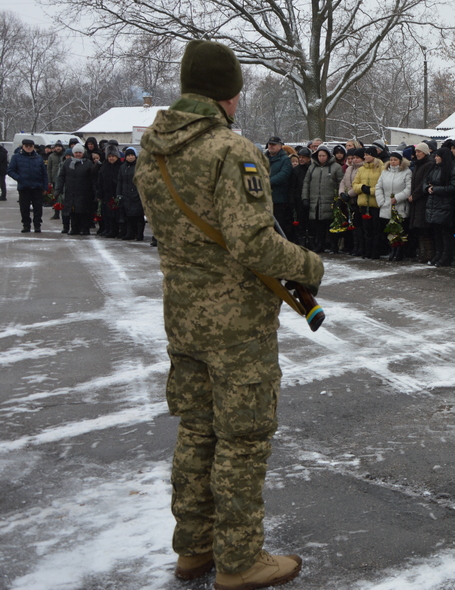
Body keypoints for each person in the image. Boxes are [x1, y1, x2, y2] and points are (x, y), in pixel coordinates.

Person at [134, 39, 322, 590]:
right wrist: (310, 263)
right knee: (243, 437)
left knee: (196, 430)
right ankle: (240, 561)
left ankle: (193, 549)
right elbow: (253, 244)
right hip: (237, 324)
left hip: (183, 315)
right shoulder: (230, 149)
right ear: (228, 94)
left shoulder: (153, 150)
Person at [303, 145, 344, 254]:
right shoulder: (312, 168)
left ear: (328, 156)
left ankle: (333, 245)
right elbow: (306, 183)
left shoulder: (336, 167)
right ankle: (319, 245)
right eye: (319, 155)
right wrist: (305, 198)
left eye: (323, 155)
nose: (321, 158)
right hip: (315, 201)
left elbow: (341, 183)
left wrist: (339, 198)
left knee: (331, 225)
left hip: (330, 201)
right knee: (318, 226)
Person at [424, 148, 455, 266]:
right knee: (437, 233)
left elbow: (454, 187)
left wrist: (436, 189)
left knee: (445, 233)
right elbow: (425, 182)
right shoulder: (434, 169)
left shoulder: (451, 170)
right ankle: (438, 254)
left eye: (437, 156)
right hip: (433, 204)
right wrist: (427, 188)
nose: (435, 158)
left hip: (444, 206)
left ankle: (446, 256)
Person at [375, 151, 412, 261]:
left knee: (399, 230)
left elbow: (408, 189)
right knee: (389, 230)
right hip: (386, 205)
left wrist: (397, 198)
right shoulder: (385, 172)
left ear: (400, 161)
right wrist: (381, 201)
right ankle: (392, 250)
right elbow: (379, 187)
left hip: (400, 206)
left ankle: (399, 251)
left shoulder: (407, 172)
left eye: (395, 160)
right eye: (391, 159)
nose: (392, 162)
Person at [7, 138, 48, 233]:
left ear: (33, 147)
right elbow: (10, 170)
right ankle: (26, 225)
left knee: (38, 208)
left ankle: (37, 225)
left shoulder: (38, 157)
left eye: (31, 146)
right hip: (24, 187)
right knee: (24, 208)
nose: (29, 148)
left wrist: (45, 186)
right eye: (27, 146)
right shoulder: (16, 157)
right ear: (23, 146)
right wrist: (19, 178)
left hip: (37, 187)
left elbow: (44, 174)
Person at [56, 144, 98, 235]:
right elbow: (61, 176)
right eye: (76, 153)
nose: (78, 154)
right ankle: (74, 228)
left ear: (83, 153)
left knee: (84, 212)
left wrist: (95, 192)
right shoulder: (67, 163)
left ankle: (85, 228)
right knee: (73, 212)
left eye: (80, 152)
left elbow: (93, 178)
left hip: (85, 192)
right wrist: (58, 189)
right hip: (71, 192)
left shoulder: (88, 163)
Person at [353, 145, 385, 258]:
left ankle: (375, 251)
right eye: (365, 155)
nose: (365, 156)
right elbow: (355, 184)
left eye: (367, 154)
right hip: (363, 203)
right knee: (366, 230)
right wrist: (362, 188)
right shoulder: (361, 169)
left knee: (376, 229)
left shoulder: (381, 168)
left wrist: (371, 191)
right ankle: (367, 250)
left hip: (375, 203)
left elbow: (383, 185)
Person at [407, 143, 434, 262]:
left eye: (420, 152)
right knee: (418, 228)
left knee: (424, 228)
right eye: (416, 152)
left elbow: (424, 182)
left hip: (422, 200)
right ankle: (422, 252)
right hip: (415, 201)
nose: (417, 154)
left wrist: (415, 195)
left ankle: (428, 253)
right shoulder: (418, 164)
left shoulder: (428, 164)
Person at [117, 147, 146, 240]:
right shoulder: (123, 167)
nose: (130, 157)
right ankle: (130, 233)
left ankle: (139, 234)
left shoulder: (138, 166)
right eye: (128, 155)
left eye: (132, 155)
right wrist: (119, 193)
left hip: (137, 194)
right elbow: (120, 181)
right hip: (126, 195)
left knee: (138, 216)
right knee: (128, 216)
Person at [266, 136, 293, 236]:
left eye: (273, 144)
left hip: (279, 198)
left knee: (279, 225)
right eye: (269, 144)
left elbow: (283, 175)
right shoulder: (264, 158)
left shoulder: (285, 160)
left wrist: (266, 182)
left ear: (280, 146)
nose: (271, 146)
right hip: (265, 198)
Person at [96, 145, 123, 238]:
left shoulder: (120, 166)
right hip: (106, 193)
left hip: (117, 193)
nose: (111, 158)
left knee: (117, 214)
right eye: (109, 156)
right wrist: (99, 193)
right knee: (107, 213)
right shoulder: (104, 166)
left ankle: (117, 230)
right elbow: (100, 180)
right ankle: (109, 229)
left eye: (113, 156)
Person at [47, 141, 66, 218]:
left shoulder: (65, 156)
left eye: (60, 146)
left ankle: (64, 213)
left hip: (63, 179)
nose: (58, 148)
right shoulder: (51, 156)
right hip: (55, 179)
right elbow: (49, 169)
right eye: (57, 146)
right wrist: (49, 180)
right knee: (55, 196)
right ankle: (56, 213)